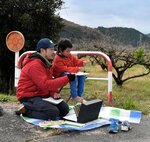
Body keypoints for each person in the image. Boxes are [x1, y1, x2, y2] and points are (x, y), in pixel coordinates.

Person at [16, 38, 75, 120]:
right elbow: (45, 84)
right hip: (29, 96)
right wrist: (66, 78)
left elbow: (49, 81)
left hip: (41, 95)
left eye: (53, 49)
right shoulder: (34, 65)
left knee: (65, 109)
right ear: (42, 50)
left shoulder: (45, 62)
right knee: (53, 112)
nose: (53, 52)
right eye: (51, 49)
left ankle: (36, 109)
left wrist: (53, 93)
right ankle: (26, 110)